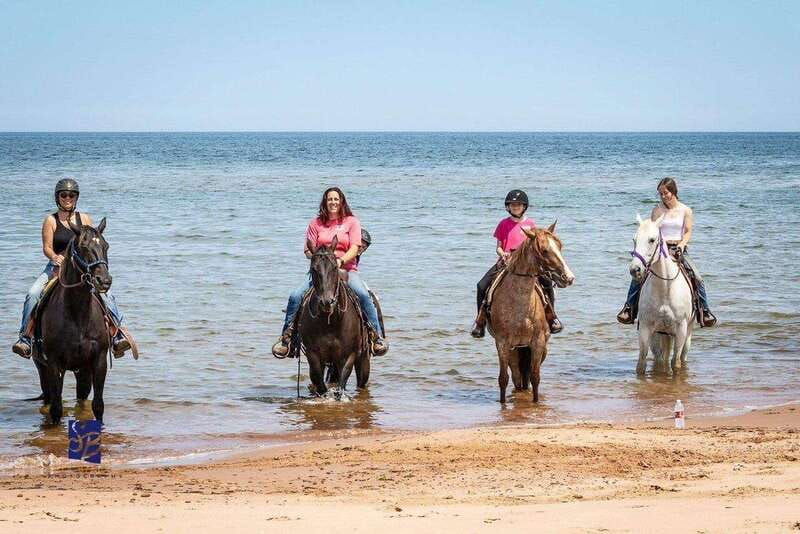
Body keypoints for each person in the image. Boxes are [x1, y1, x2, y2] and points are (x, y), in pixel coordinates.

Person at [12, 179, 131, 358]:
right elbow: (47, 247)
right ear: (57, 197)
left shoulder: (84, 219)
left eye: (72, 195)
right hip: (56, 266)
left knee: (107, 294)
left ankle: (118, 335)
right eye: (64, 195)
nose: (68, 198)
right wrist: (54, 257)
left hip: (82, 267)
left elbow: (91, 243)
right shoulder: (50, 220)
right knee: (33, 293)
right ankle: (25, 338)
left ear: (76, 197)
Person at [271, 187, 388, 357]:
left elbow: (355, 247)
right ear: (325, 202)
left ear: (341, 202)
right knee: (295, 296)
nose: (333, 202)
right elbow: (307, 251)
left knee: (363, 294)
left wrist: (339, 261)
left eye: (336, 199)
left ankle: (375, 336)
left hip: (346, 269)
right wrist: (319, 259)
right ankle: (287, 339)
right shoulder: (315, 223)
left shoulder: (352, 222)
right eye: (329, 199)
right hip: (321, 271)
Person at [617, 177, 717, 327]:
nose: (663, 196)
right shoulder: (657, 210)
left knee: (697, 277)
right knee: (639, 275)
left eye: (666, 193)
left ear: (674, 192)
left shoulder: (685, 210)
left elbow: (688, 231)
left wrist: (682, 244)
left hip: (678, 248)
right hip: (660, 250)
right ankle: (629, 308)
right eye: (661, 193)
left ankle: (705, 311)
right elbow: (652, 231)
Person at [470, 189, 562, 338]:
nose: (515, 207)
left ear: (524, 206)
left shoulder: (531, 224)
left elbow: (536, 246)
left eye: (518, 205)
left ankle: (552, 317)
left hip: (527, 264)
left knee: (547, 283)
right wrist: (503, 254)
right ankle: (480, 322)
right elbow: (498, 247)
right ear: (508, 207)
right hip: (506, 261)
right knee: (481, 285)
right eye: (512, 205)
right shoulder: (503, 224)